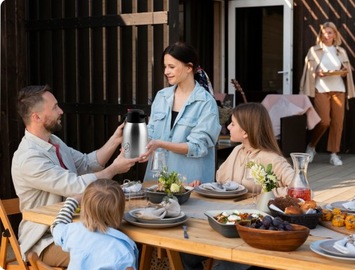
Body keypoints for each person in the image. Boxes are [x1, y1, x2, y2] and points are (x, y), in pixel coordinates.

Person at [11, 85, 141, 267]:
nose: (61, 111)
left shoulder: (53, 142)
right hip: (45, 240)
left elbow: (86, 164)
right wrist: (114, 169)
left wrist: (115, 140)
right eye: (55, 107)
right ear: (36, 117)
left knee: (121, 245)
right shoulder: (28, 158)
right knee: (107, 253)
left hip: (77, 228)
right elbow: (76, 186)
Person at [185, 103, 296, 270]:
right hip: (227, 221)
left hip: (251, 230)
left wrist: (267, 194)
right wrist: (204, 186)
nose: (228, 126)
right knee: (185, 251)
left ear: (245, 132)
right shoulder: (238, 150)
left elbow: (300, 191)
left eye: (233, 123)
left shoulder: (272, 159)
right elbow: (222, 180)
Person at [142, 41, 221, 183]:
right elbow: (151, 133)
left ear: (189, 67)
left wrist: (160, 144)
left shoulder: (206, 103)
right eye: (165, 67)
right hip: (157, 181)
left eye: (171, 67)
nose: (166, 71)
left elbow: (197, 147)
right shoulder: (161, 96)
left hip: (190, 184)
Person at [299, 21, 355, 166]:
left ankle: (334, 154)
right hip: (321, 89)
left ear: (335, 34)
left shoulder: (340, 51)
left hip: (339, 90)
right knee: (324, 121)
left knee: (337, 123)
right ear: (321, 34)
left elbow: (346, 72)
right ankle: (311, 146)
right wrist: (317, 73)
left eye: (330, 32)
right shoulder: (314, 50)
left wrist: (343, 71)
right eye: (325, 32)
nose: (327, 35)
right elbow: (309, 72)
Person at [51, 178, 138, 270]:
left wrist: (73, 201)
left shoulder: (73, 232)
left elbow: (56, 226)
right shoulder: (124, 252)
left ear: (84, 208)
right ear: (120, 211)